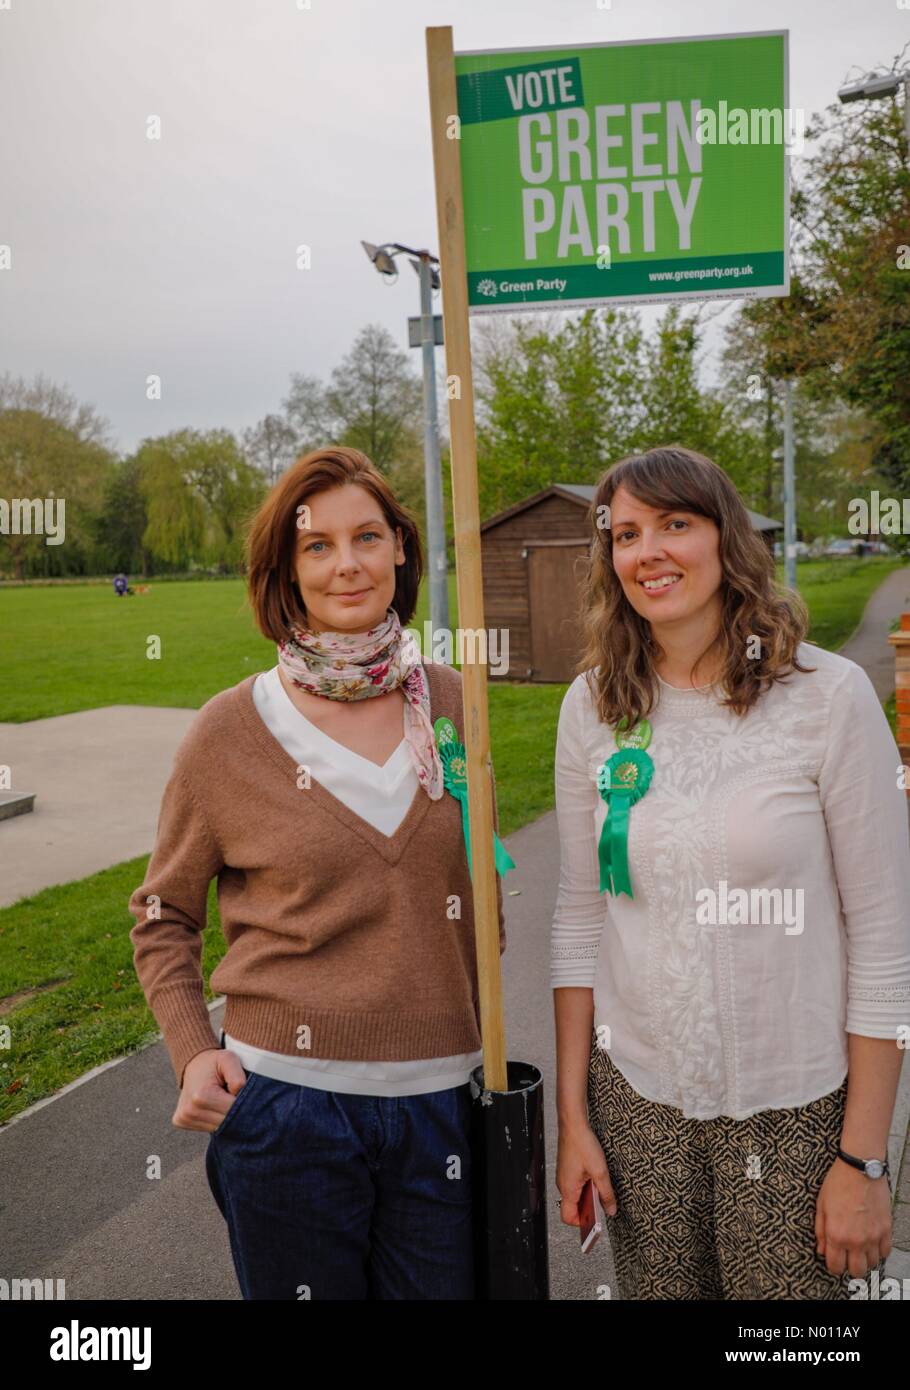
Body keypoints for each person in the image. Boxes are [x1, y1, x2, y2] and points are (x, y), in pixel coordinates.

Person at [128, 445, 506, 1300]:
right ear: (287, 570)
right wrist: (193, 1053)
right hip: (286, 1111)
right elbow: (162, 915)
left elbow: (478, 895)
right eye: (318, 545)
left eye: (367, 537)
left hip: (443, 1104)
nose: (347, 564)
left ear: (401, 549)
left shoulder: (455, 703)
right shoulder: (228, 732)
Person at [551, 445, 910, 1300]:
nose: (649, 551)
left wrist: (865, 1157)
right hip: (639, 1110)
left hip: (798, 1113)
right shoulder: (592, 707)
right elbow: (576, 918)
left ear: (726, 539)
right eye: (626, 533)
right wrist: (573, 1121)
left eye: (676, 523)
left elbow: (887, 935)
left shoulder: (828, 696)